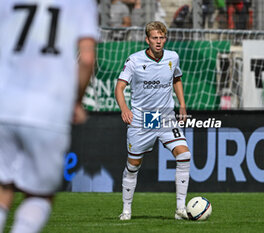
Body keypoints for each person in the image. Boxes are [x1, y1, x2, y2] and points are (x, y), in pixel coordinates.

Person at [0, 0, 98, 232]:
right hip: (49, 108)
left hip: (5, 104)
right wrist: (76, 101)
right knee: (39, 196)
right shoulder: (81, 3)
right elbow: (86, 59)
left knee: (3, 188)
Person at [115, 21, 191, 221]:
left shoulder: (172, 57)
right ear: (147, 40)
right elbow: (119, 87)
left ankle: (180, 209)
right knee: (133, 164)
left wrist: (182, 104)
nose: (158, 42)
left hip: (165, 116)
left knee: (184, 155)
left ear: (165, 39)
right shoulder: (134, 60)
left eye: (161, 38)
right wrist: (124, 108)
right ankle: (126, 209)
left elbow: (177, 79)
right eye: (154, 38)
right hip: (142, 119)